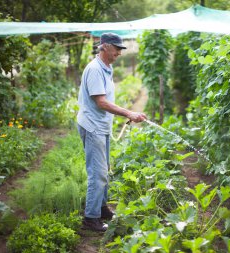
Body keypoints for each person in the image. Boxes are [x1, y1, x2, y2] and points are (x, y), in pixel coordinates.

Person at [77, 32, 147, 232]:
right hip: (92, 126)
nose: (119, 52)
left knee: (105, 169)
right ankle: (91, 219)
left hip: (102, 125)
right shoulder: (94, 70)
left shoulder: (107, 68)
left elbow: (105, 100)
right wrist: (129, 112)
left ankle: (101, 207)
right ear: (105, 46)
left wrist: (126, 113)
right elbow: (100, 102)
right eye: (117, 48)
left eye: (120, 49)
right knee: (97, 173)